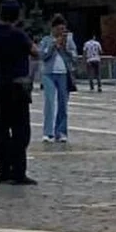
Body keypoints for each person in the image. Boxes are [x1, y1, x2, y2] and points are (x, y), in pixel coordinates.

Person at [0, 0, 39, 185]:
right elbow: (35, 52)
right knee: (20, 130)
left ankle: (2, 170)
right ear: (17, 15)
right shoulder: (18, 34)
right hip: (18, 86)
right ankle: (18, 171)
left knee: (0, 128)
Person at [39, 14, 77, 144]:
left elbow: (74, 57)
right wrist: (53, 46)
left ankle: (61, 132)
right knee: (49, 102)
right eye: (59, 29)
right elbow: (42, 55)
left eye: (64, 29)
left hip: (64, 73)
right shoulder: (46, 40)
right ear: (53, 29)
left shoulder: (69, 40)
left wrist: (65, 48)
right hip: (49, 73)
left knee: (63, 103)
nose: (62, 32)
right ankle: (47, 132)